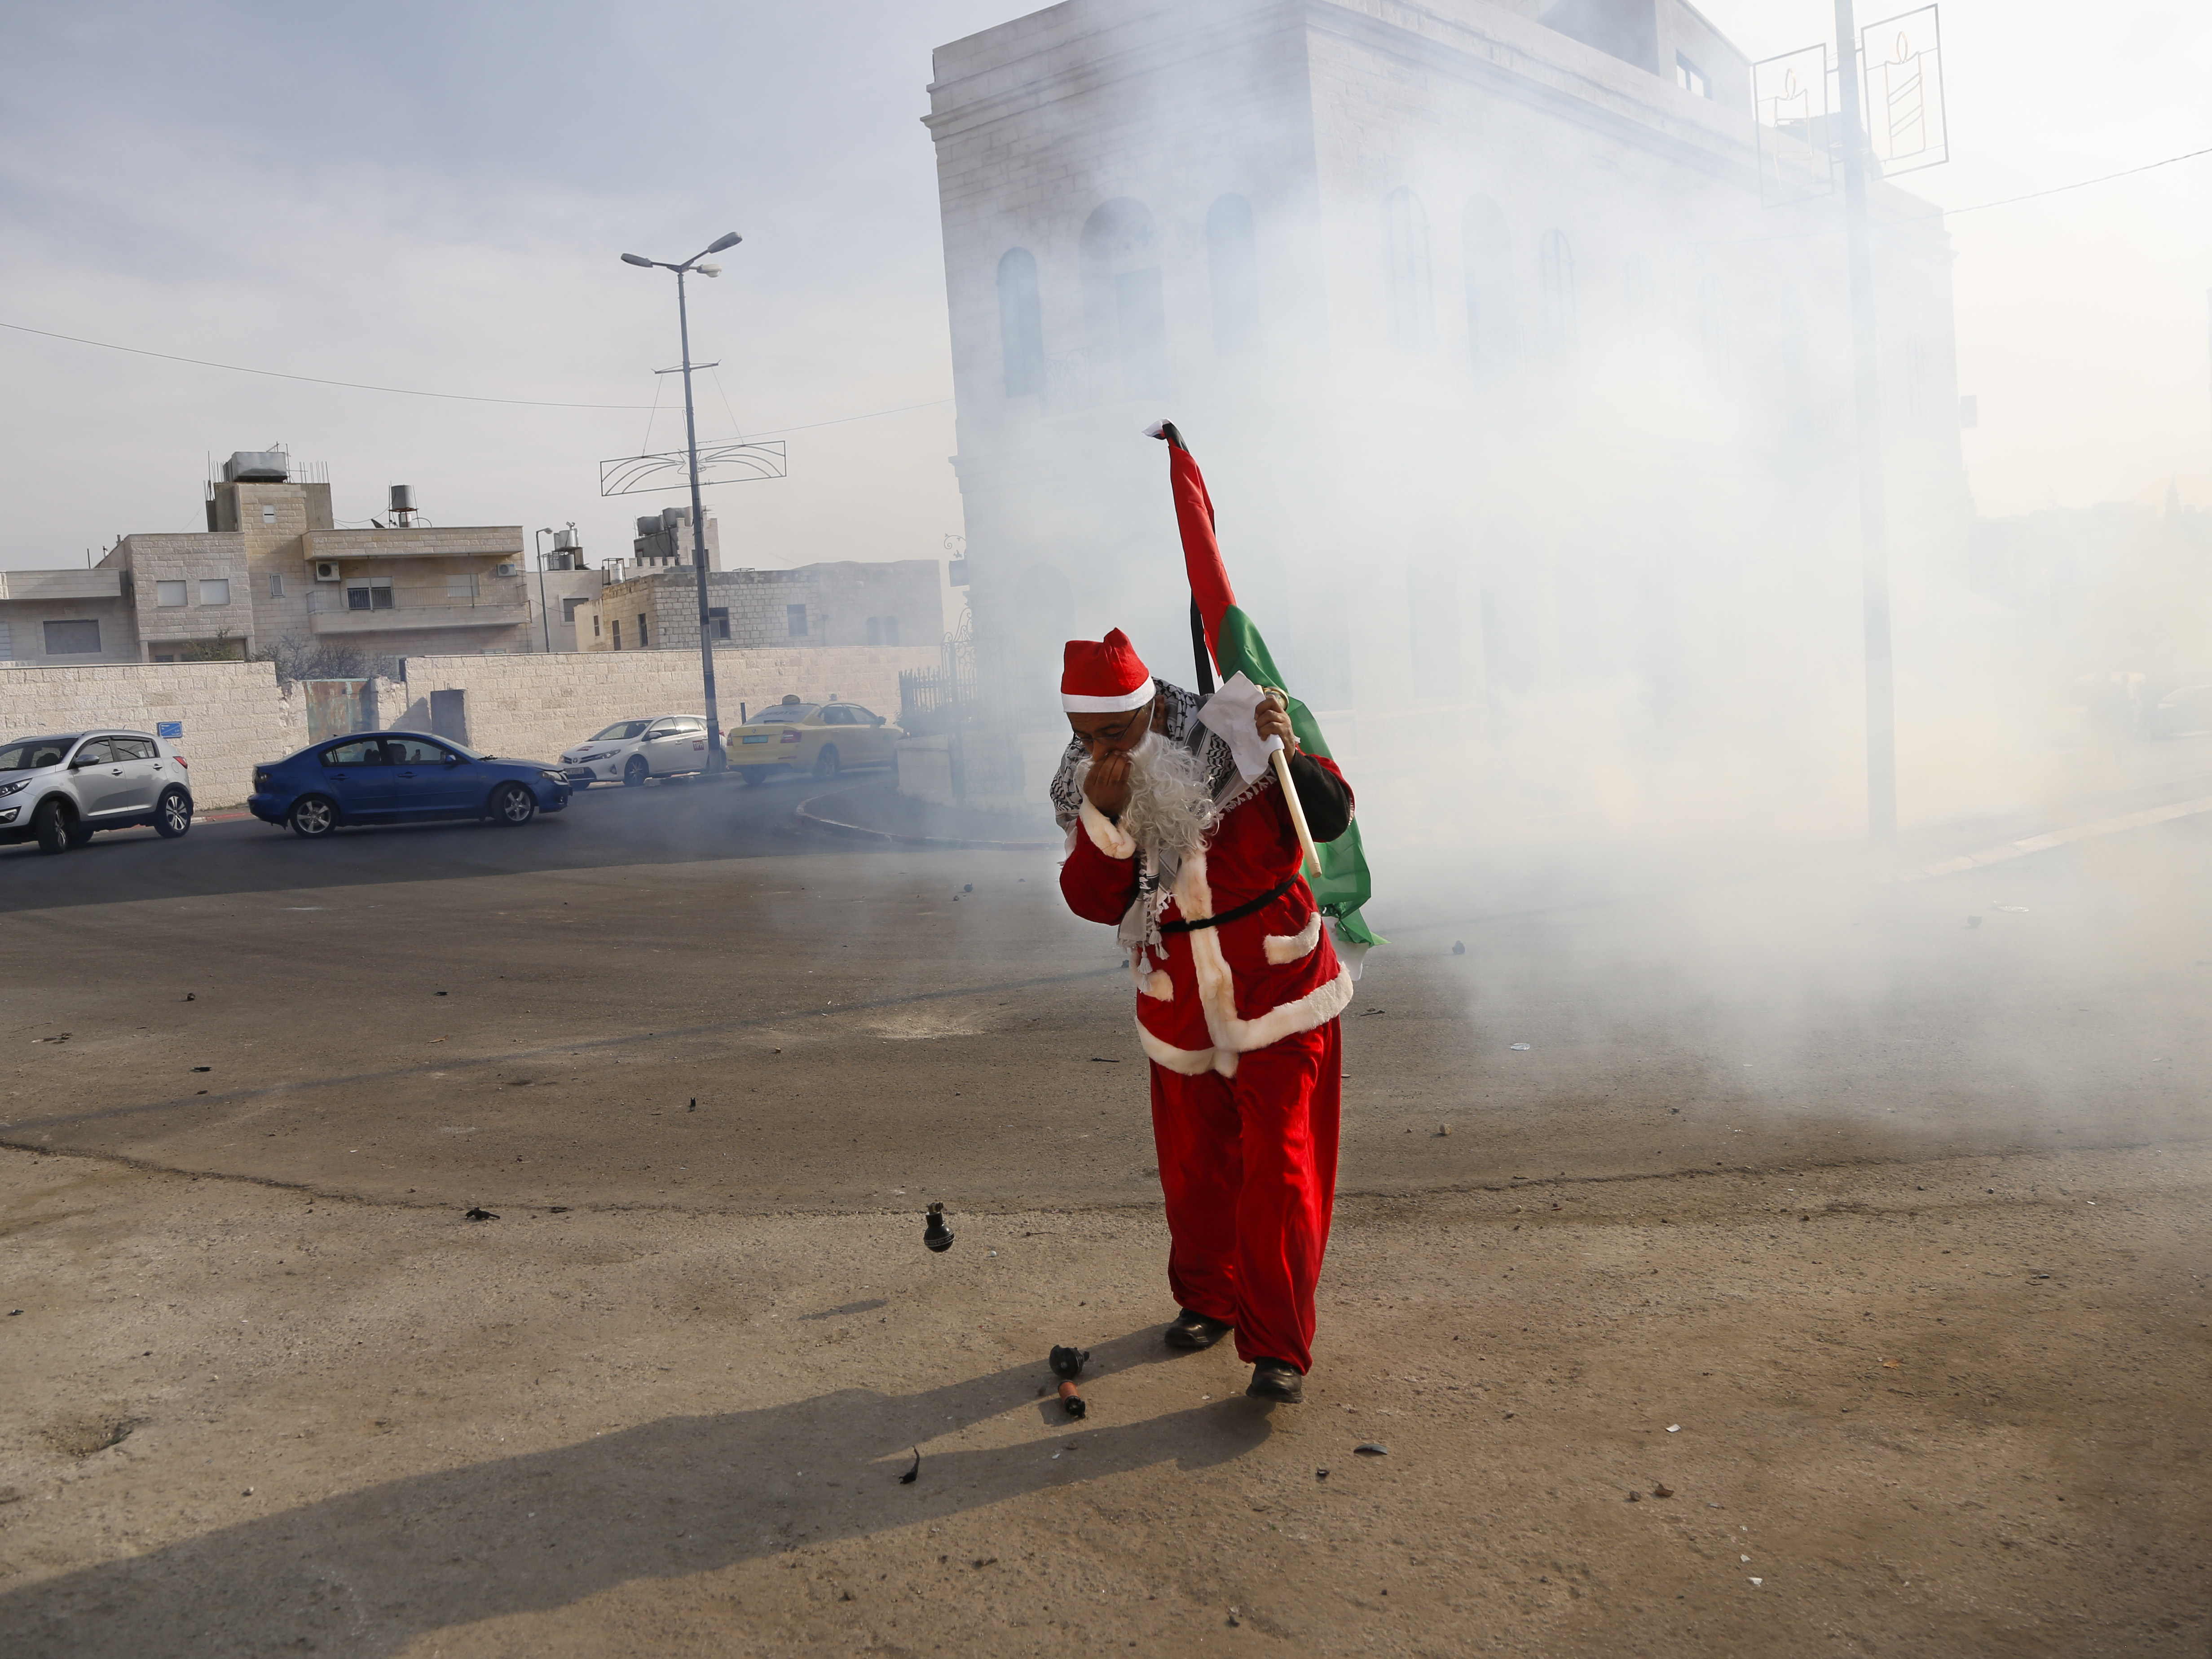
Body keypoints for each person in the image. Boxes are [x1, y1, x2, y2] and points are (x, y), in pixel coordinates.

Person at [1052, 628, 1354, 1403]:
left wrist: (1286, 747)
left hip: (1278, 990)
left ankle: (1278, 1346)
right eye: (1083, 736)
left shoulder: (1234, 724)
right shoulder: (1082, 779)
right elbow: (1092, 903)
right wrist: (1104, 816)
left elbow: (1327, 818)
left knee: (1281, 1172)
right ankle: (1209, 1300)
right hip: (1177, 1002)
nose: (1098, 749)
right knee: (1193, 1173)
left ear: (1148, 704)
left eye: (1112, 733)